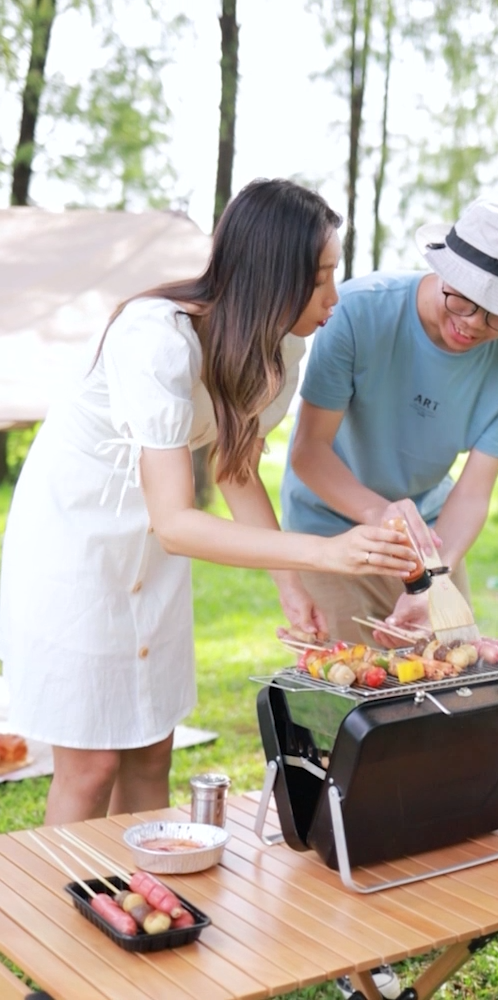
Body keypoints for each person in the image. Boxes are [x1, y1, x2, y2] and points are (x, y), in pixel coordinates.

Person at [0, 178, 417, 826]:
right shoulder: (155, 337)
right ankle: (63, 921)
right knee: (91, 767)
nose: (334, 298)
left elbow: (234, 465)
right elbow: (175, 521)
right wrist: (325, 553)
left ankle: (142, 903)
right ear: (271, 275)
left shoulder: (282, 347)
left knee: (150, 750)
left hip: (157, 539)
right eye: (319, 279)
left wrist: (291, 583)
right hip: (74, 545)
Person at [279, 195, 498, 997]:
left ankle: (465, 888)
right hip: (333, 524)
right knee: (348, 714)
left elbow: (475, 493)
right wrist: (388, 521)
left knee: (464, 699)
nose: (471, 326)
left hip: (427, 534)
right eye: (462, 302)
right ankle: (347, 925)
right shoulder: (362, 315)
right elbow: (308, 455)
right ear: (441, 271)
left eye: (497, 316)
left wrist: (432, 570)